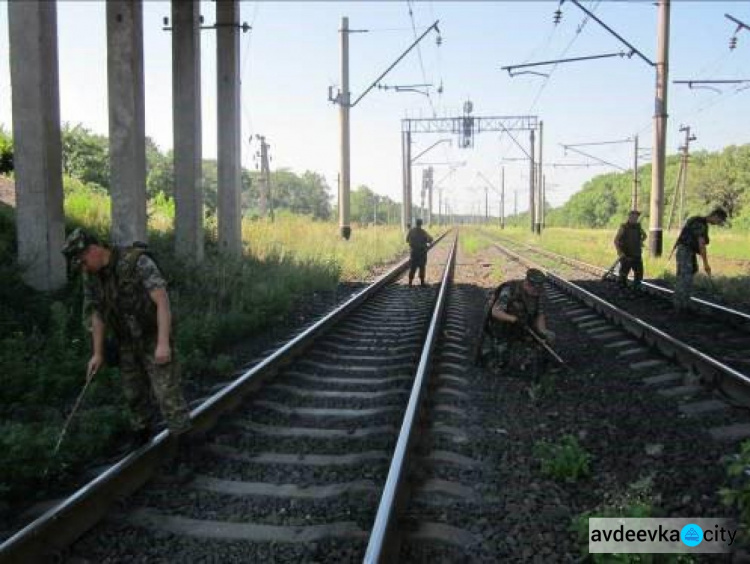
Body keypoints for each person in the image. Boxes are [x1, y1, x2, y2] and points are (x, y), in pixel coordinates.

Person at [61, 229, 193, 454]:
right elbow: (97, 314)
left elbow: (162, 301)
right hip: (126, 342)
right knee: (133, 393)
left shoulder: (136, 262)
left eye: (83, 261)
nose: (83, 268)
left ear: (93, 250)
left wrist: (163, 343)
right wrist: (98, 353)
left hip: (152, 336)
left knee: (166, 392)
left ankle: (184, 445)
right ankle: (141, 436)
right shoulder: (92, 277)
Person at [480, 268, 555, 373]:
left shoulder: (537, 295)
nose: (537, 293)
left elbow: (540, 314)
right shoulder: (509, 290)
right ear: (527, 284)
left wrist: (543, 332)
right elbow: (496, 312)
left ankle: (531, 364)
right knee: (501, 361)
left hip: (522, 325)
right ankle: (495, 356)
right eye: (535, 290)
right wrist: (514, 319)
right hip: (502, 326)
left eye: (539, 290)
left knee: (547, 338)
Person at [672, 207, 727, 313]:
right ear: (715, 216)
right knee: (685, 278)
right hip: (686, 252)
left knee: (685, 275)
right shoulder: (701, 224)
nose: (718, 223)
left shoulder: (697, 220)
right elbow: (701, 245)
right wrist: (706, 264)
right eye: (719, 221)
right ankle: (681, 306)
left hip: (686, 251)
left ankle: (682, 304)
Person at [613, 210, 647, 291]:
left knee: (639, 274)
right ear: (629, 217)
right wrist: (619, 252)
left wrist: (640, 241)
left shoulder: (638, 227)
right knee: (623, 274)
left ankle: (636, 289)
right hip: (626, 254)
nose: (634, 218)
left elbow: (645, 235)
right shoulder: (623, 227)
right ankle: (622, 289)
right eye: (633, 216)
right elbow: (616, 240)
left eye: (636, 217)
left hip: (637, 254)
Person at [406, 218, 433, 287]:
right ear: (421, 224)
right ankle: (422, 282)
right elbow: (430, 239)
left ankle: (410, 283)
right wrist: (427, 243)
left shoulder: (411, 231)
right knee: (422, 267)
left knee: (412, 267)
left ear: (416, 223)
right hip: (422, 253)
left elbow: (407, 240)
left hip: (413, 253)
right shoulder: (423, 232)